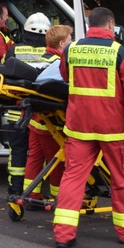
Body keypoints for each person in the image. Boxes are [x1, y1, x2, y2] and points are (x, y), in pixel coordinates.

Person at [52, 7, 124, 248]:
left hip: (79, 127)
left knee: (73, 178)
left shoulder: (71, 50)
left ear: (89, 24)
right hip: (114, 130)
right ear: (111, 24)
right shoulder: (121, 54)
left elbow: (65, 77)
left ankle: (63, 235)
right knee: (121, 178)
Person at [1, 13, 55, 194]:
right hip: (43, 116)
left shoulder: (13, 50)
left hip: (17, 112)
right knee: (42, 155)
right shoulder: (52, 53)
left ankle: (15, 191)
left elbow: (4, 74)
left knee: (17, 153)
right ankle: (39, 192)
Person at [25, 23, 73, 199]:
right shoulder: (58, 63)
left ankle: (31, 196)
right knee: (57, 161)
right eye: (69, 40)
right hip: (50, 121)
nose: (72, 42)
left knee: (35, 159)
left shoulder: (41, 58)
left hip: (35, 120)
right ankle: (59, 198)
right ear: (61, 44)